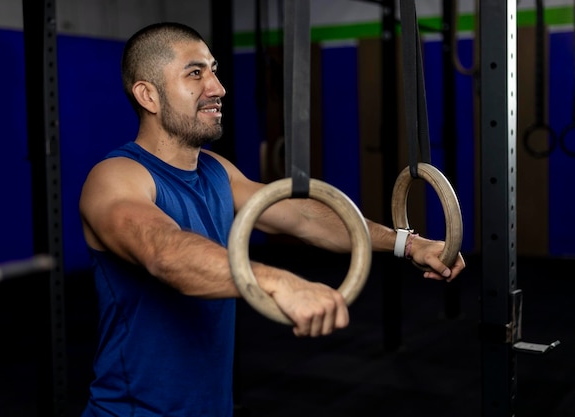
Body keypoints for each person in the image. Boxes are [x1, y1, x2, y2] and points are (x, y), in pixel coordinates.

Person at [78, 21, 466, 417]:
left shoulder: (216, 171)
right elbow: (164, 252)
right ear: (148, 95)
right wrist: (279, 282)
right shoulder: (115, 177)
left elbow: (303, 217)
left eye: (214, 70)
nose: (217, 88)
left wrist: (408, 243)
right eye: (195, 73)